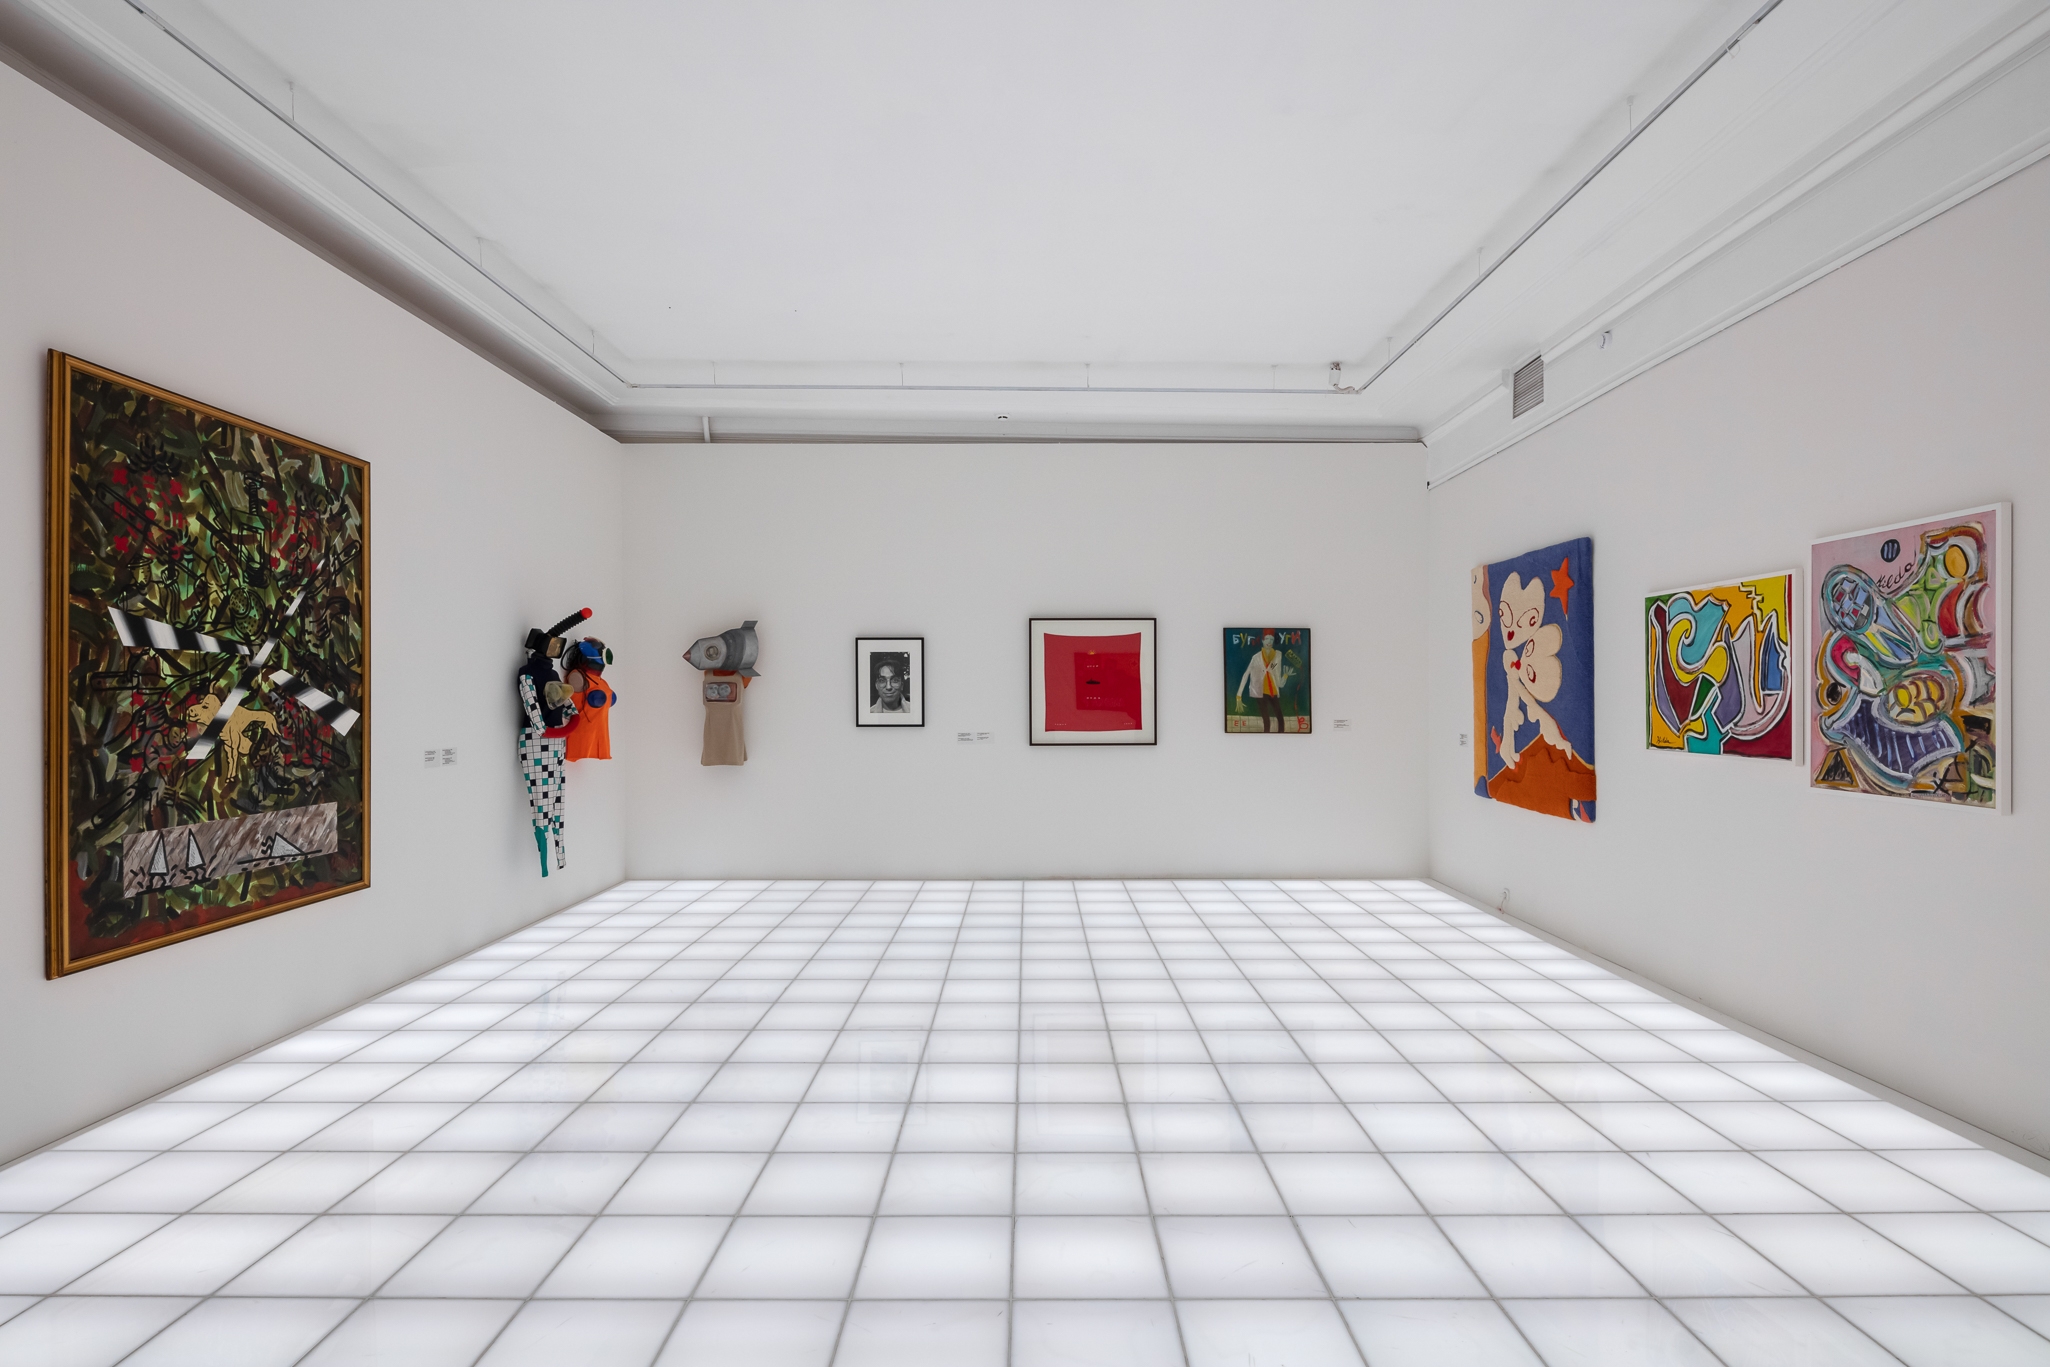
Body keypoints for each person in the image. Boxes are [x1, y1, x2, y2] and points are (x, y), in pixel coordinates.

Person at [1237, 631, 1290, 732]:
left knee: (1280, 719)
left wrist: (1285, 676)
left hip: (1273, 691)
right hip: (1260, 692)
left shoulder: (1278, 655)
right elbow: (1246, 674)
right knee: (1266, 720)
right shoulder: (1256, 657)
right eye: (1267, 639)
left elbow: (1279, 682)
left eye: (1271, 639)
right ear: (1262, 641)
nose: (1269, 642)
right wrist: (1239, 695)